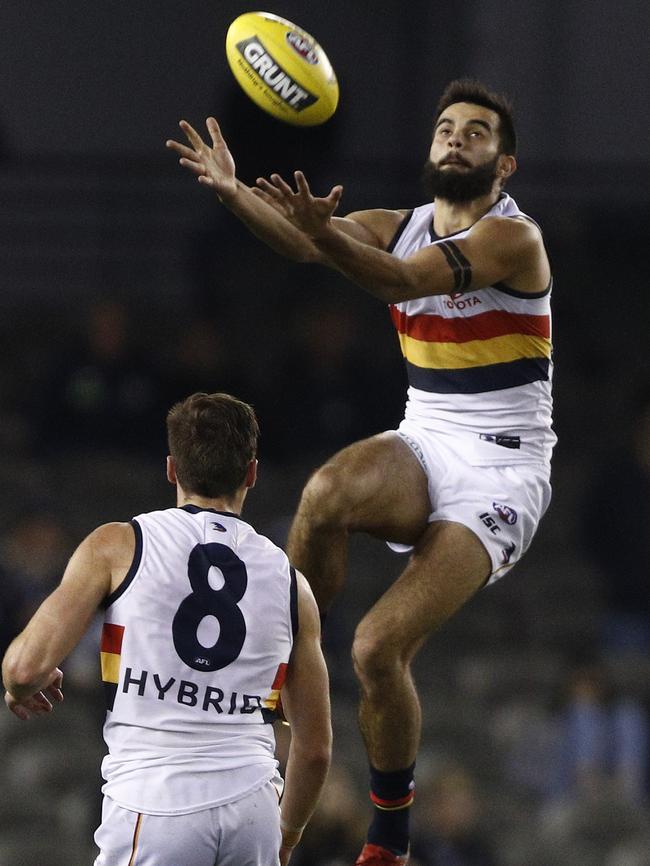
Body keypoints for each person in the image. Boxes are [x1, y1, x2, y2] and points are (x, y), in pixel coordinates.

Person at [166, 78, 556, 865]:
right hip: (429, 434)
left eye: (475, 133)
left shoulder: (516, 241)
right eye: (446, 127)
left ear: (503, 164)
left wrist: (322, 236)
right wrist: (236, 192)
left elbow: (402, 279)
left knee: (378, 648)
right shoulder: (397, 222)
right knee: (325, 493)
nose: (455, 139)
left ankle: (390, 834)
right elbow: (302, 238)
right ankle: (278, 681)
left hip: (503, 469)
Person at [2, 391, 331, 866]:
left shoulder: (119, 546)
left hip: (156, 802)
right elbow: (316, 750)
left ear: (172, 468)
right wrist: (285, 835)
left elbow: (24, 666)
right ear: (252, 473)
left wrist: (21, 684)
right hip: (254, 806)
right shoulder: (291, 585)